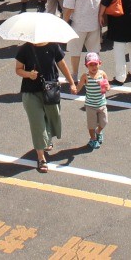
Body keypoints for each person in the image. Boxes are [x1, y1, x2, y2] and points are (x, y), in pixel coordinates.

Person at [15, 36, 78, 173]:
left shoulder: (53, 46)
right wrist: (28, 74)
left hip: (50, 90)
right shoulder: (25, 48)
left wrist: (72, 83)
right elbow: (18, 69)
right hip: (30, 93)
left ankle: (47, 140)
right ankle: (41, 157)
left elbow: (62, 64)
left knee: (51, 117)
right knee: (37, 124)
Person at [62, 0, 105, 78]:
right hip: (94, 22)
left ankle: (75, 75)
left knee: (75, 51)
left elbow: (68, 8)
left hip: (78, 24)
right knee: (94, 51)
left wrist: (64, 22)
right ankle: (96, 75)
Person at [78, 53, 110, 150]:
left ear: (100, 63)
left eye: (95, 64)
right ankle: (92, 139)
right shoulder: (85, 76)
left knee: (104, 122)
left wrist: (106, 87)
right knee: (91, 124)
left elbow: (107, 86)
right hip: (90, 105)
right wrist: (75, 89)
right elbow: (79, 87)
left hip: (102, 104)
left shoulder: (102, 74)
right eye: (90, 65)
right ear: (86, 66)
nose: (93, 67)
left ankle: (98, 131)